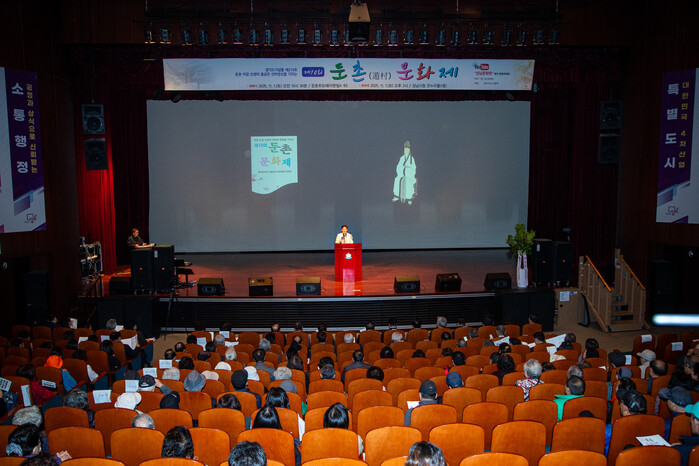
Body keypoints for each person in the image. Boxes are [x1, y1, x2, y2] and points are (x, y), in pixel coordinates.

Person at [392, 140, 417, 205]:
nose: (406, 151)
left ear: (409, 150)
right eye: (405, 150)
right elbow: (398, 166)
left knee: (409, 182)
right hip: (401, 174)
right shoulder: (402, 158)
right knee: (397, 180)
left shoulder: (412, 159)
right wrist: (402, 168)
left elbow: (413, 168)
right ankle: (397, 196)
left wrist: (408, 169)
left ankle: (409, 198)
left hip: (409, 175)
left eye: (407, 150)